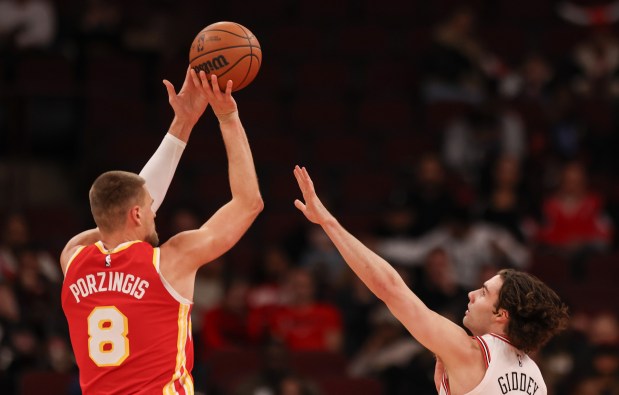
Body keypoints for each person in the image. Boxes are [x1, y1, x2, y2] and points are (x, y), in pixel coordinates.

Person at [60, 68, 263, 394]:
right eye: (151, 207)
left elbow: (113, 219)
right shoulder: (169, 262)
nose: (156, 214)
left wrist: (182, 124)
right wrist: (227, 117)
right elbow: (248, 203)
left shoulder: (72, 260)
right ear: (138, 213)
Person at [292, 165, 569, 395]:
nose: (471, 293)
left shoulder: (468, 351)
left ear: (501, 315)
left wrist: (328, 223)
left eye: (484, 293)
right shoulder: (535, 377)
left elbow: (390, 288)